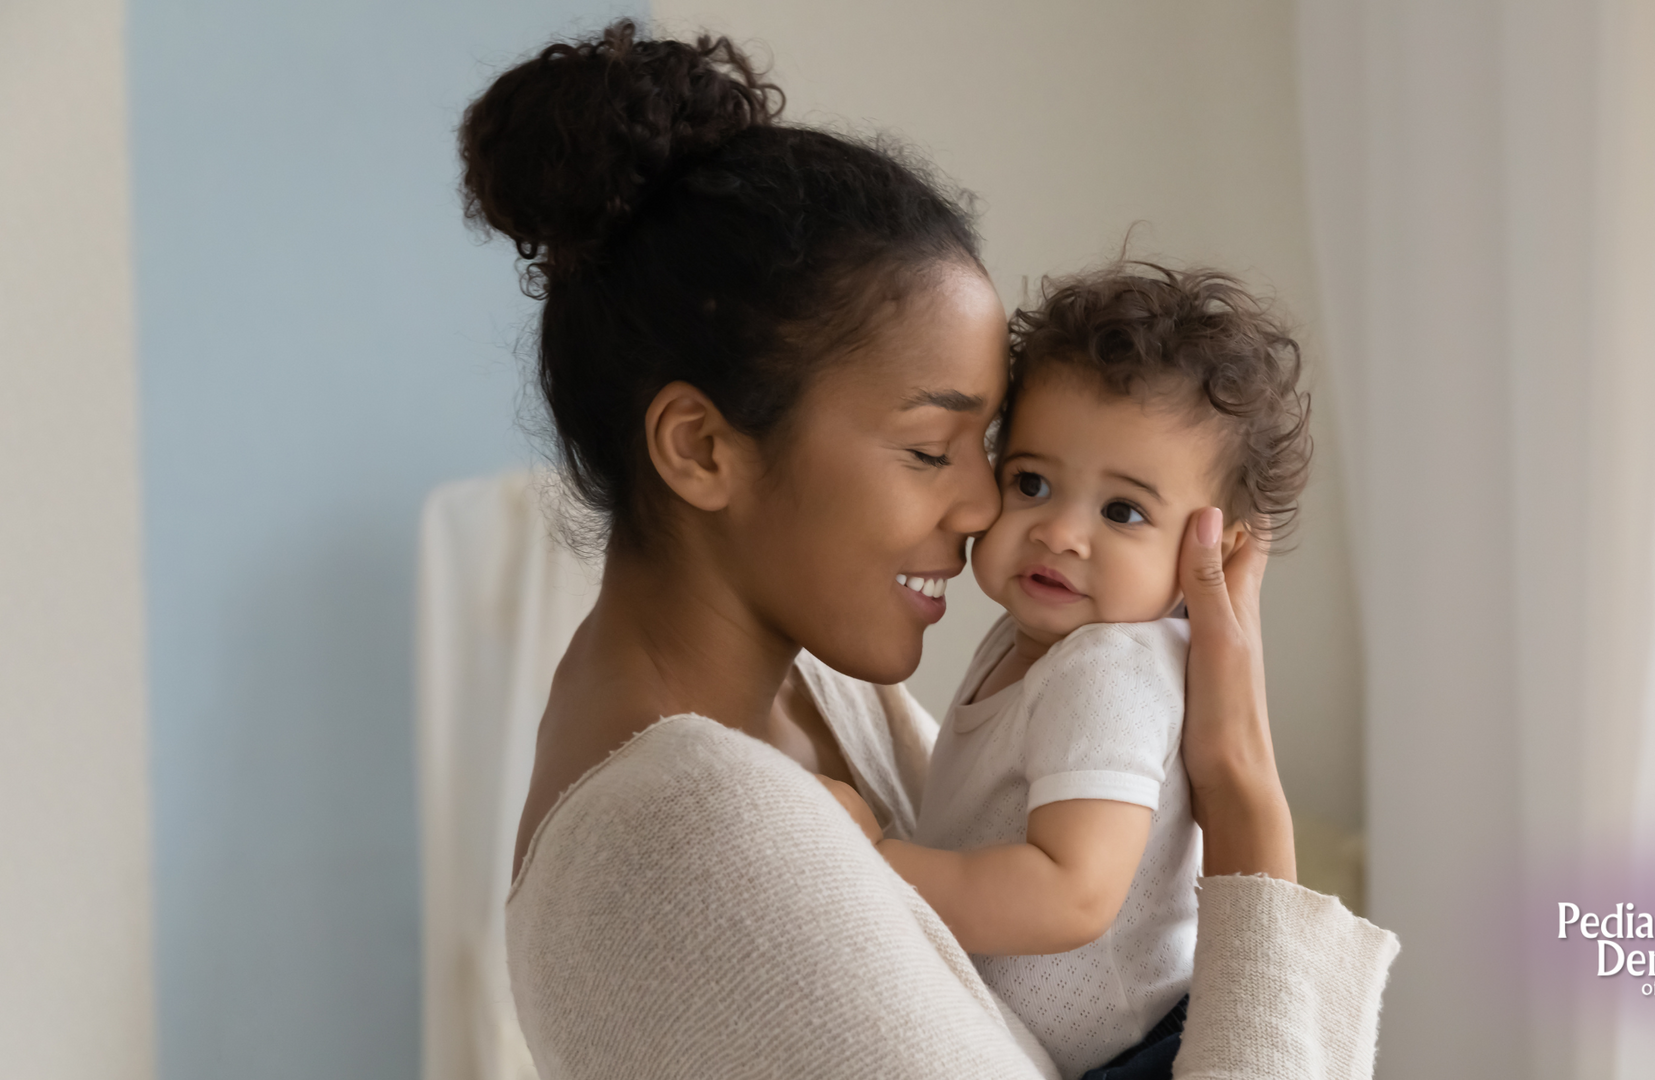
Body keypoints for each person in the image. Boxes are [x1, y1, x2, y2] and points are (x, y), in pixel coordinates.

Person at [458, 20, 1399, 1080]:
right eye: (928, 448)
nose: (983, 502)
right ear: (702, 447)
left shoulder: (811, 698)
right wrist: (1241, 797)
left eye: (985, 447)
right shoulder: (692, 834)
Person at [872, 263, 1311, 1080]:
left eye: (1122, 511)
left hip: (1134, 1054)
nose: (1060, 533)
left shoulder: (1107, 667)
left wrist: (871, 862)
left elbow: (1069, 893)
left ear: (1214, 550)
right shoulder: (1029, 639)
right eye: (1032, 483)